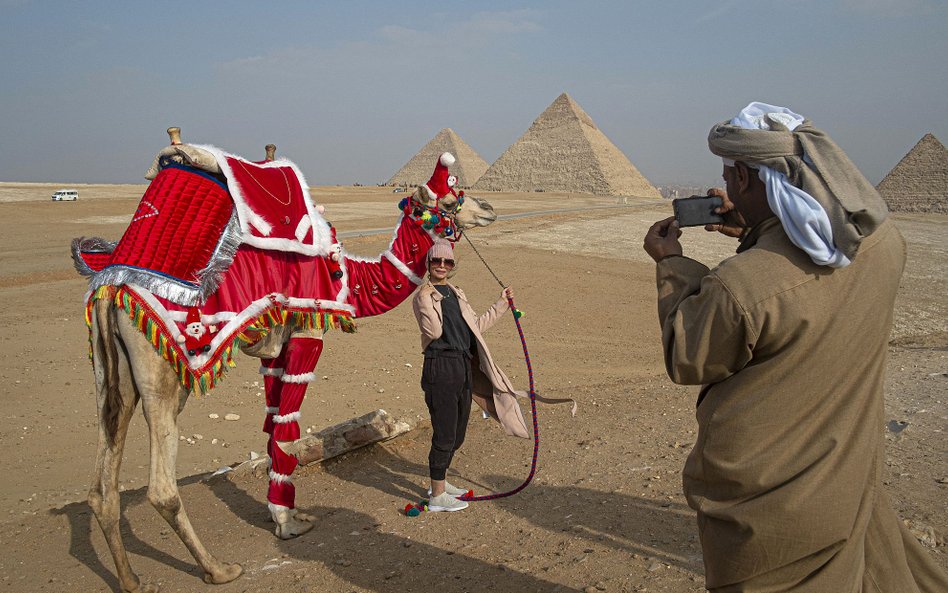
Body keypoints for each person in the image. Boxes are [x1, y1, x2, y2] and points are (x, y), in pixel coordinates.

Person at [642, 102, 948, 592]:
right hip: (846, 471)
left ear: (743, 175)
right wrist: (760, 232)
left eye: (729, 174)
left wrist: (672, 263)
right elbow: (812, 276)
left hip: (773, 500)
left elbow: (690, 354)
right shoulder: (881, 243)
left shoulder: (740, 286)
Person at [411, 240, 528, 512]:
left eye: (447, 262)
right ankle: (437, 495)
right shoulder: (422, 296)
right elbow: (433, 332)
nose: (442, 266)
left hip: (463, 365)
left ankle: (440, 481)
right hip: (440, 365)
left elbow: (476, 326)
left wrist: (501, 304)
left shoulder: (456, 292)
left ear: (452, 266)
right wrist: (427, 298)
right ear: (428, 264)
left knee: (459, 430)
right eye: (436, 261)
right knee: (445, 429)